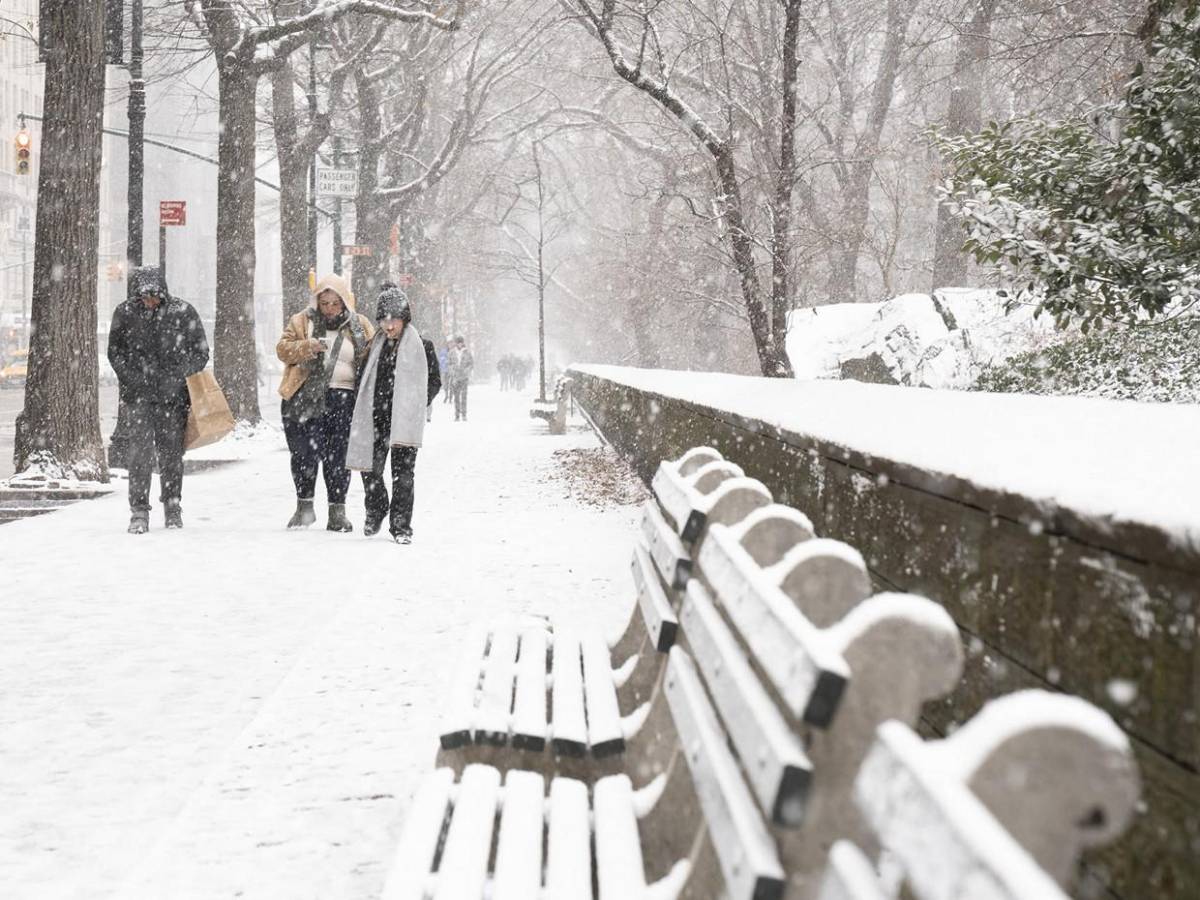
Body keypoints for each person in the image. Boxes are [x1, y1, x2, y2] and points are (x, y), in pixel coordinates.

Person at [106, 266, 209, 534]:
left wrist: (177, 377)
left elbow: (201, 353)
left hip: (172, 400)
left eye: (153, 297)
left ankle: (172, 506)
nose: (149, 302)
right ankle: (139, 510)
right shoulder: (125, 313)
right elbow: (115, 353)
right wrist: (133, 379)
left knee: (171, 455)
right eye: (144, 297)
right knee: (140, 455)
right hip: (138, 398)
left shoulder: (183, 312)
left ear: (162, 293)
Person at [276, 273, 374, 532]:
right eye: (324, 303)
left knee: (338, 457)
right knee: (304, 455)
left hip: (345, 399)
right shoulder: (301, 321)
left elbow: (372, 355)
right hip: (305, 397)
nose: (329, 308)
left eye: (335, 303)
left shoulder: (360, 324)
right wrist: (308, 346)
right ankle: (304, 509)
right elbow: (283, 350)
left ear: (345, 302)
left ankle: (337, 512)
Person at [347, 285, 440, 543]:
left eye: (394, 320)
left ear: (404, 319)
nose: (389, 326)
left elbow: (434, 381)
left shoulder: (422, 346)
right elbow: (361, 379)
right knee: (370, 469)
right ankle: (376, 508)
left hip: (405, 420)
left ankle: (401, 527)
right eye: (384, 320)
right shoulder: (372, 347)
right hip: (375, 419)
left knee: (403, 476)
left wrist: (416, 404)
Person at [447, 335, 473, 421]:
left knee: (464, 397)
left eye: (461, 343)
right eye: (458, 343)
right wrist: (452, 371)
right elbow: (449, 364)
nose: (460, 344)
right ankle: (457, 415)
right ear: (456, 343)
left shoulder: (467, 352)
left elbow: (471, 364)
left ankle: (464, 414)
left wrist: (467, 370)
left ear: (463, 343)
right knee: (456, 397)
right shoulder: (451, 352)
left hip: (464, 377)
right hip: (455, 378)